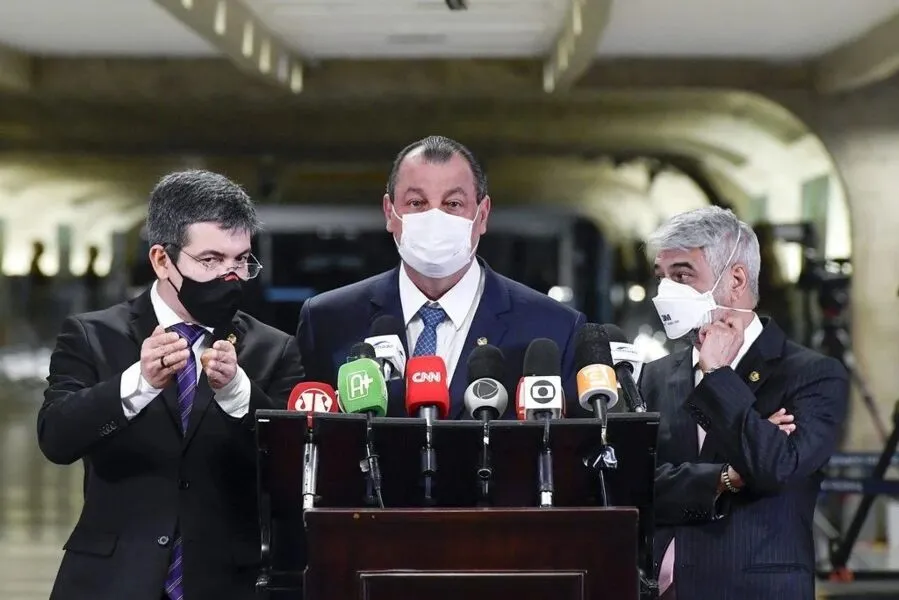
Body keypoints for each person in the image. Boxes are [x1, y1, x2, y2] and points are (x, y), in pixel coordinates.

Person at [38, 170, 304, 600]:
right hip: (111, 580)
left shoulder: (275, 349)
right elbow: (56, 438)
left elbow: (291, 472)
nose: (229, 276)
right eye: (211, 261)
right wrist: (136, 384)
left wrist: (239, 395)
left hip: (227, 583)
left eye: (241, 261)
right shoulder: (93, 334)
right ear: (163, 260)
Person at [640, 206, 847, 600]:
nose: (666, 291)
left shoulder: (811, 375)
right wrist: (728, 476)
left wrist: (717, 374)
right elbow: (633, 485)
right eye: (661, 277)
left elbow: (774, 469)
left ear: (735, 278)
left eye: (682, 275)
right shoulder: (655, 375)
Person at [297, 135, 585, 417]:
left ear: (482, 215)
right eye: (417, 203)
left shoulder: (554, 327)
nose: (434, 218)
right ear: (389, 212)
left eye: (453, 204)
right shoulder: (327, 321)